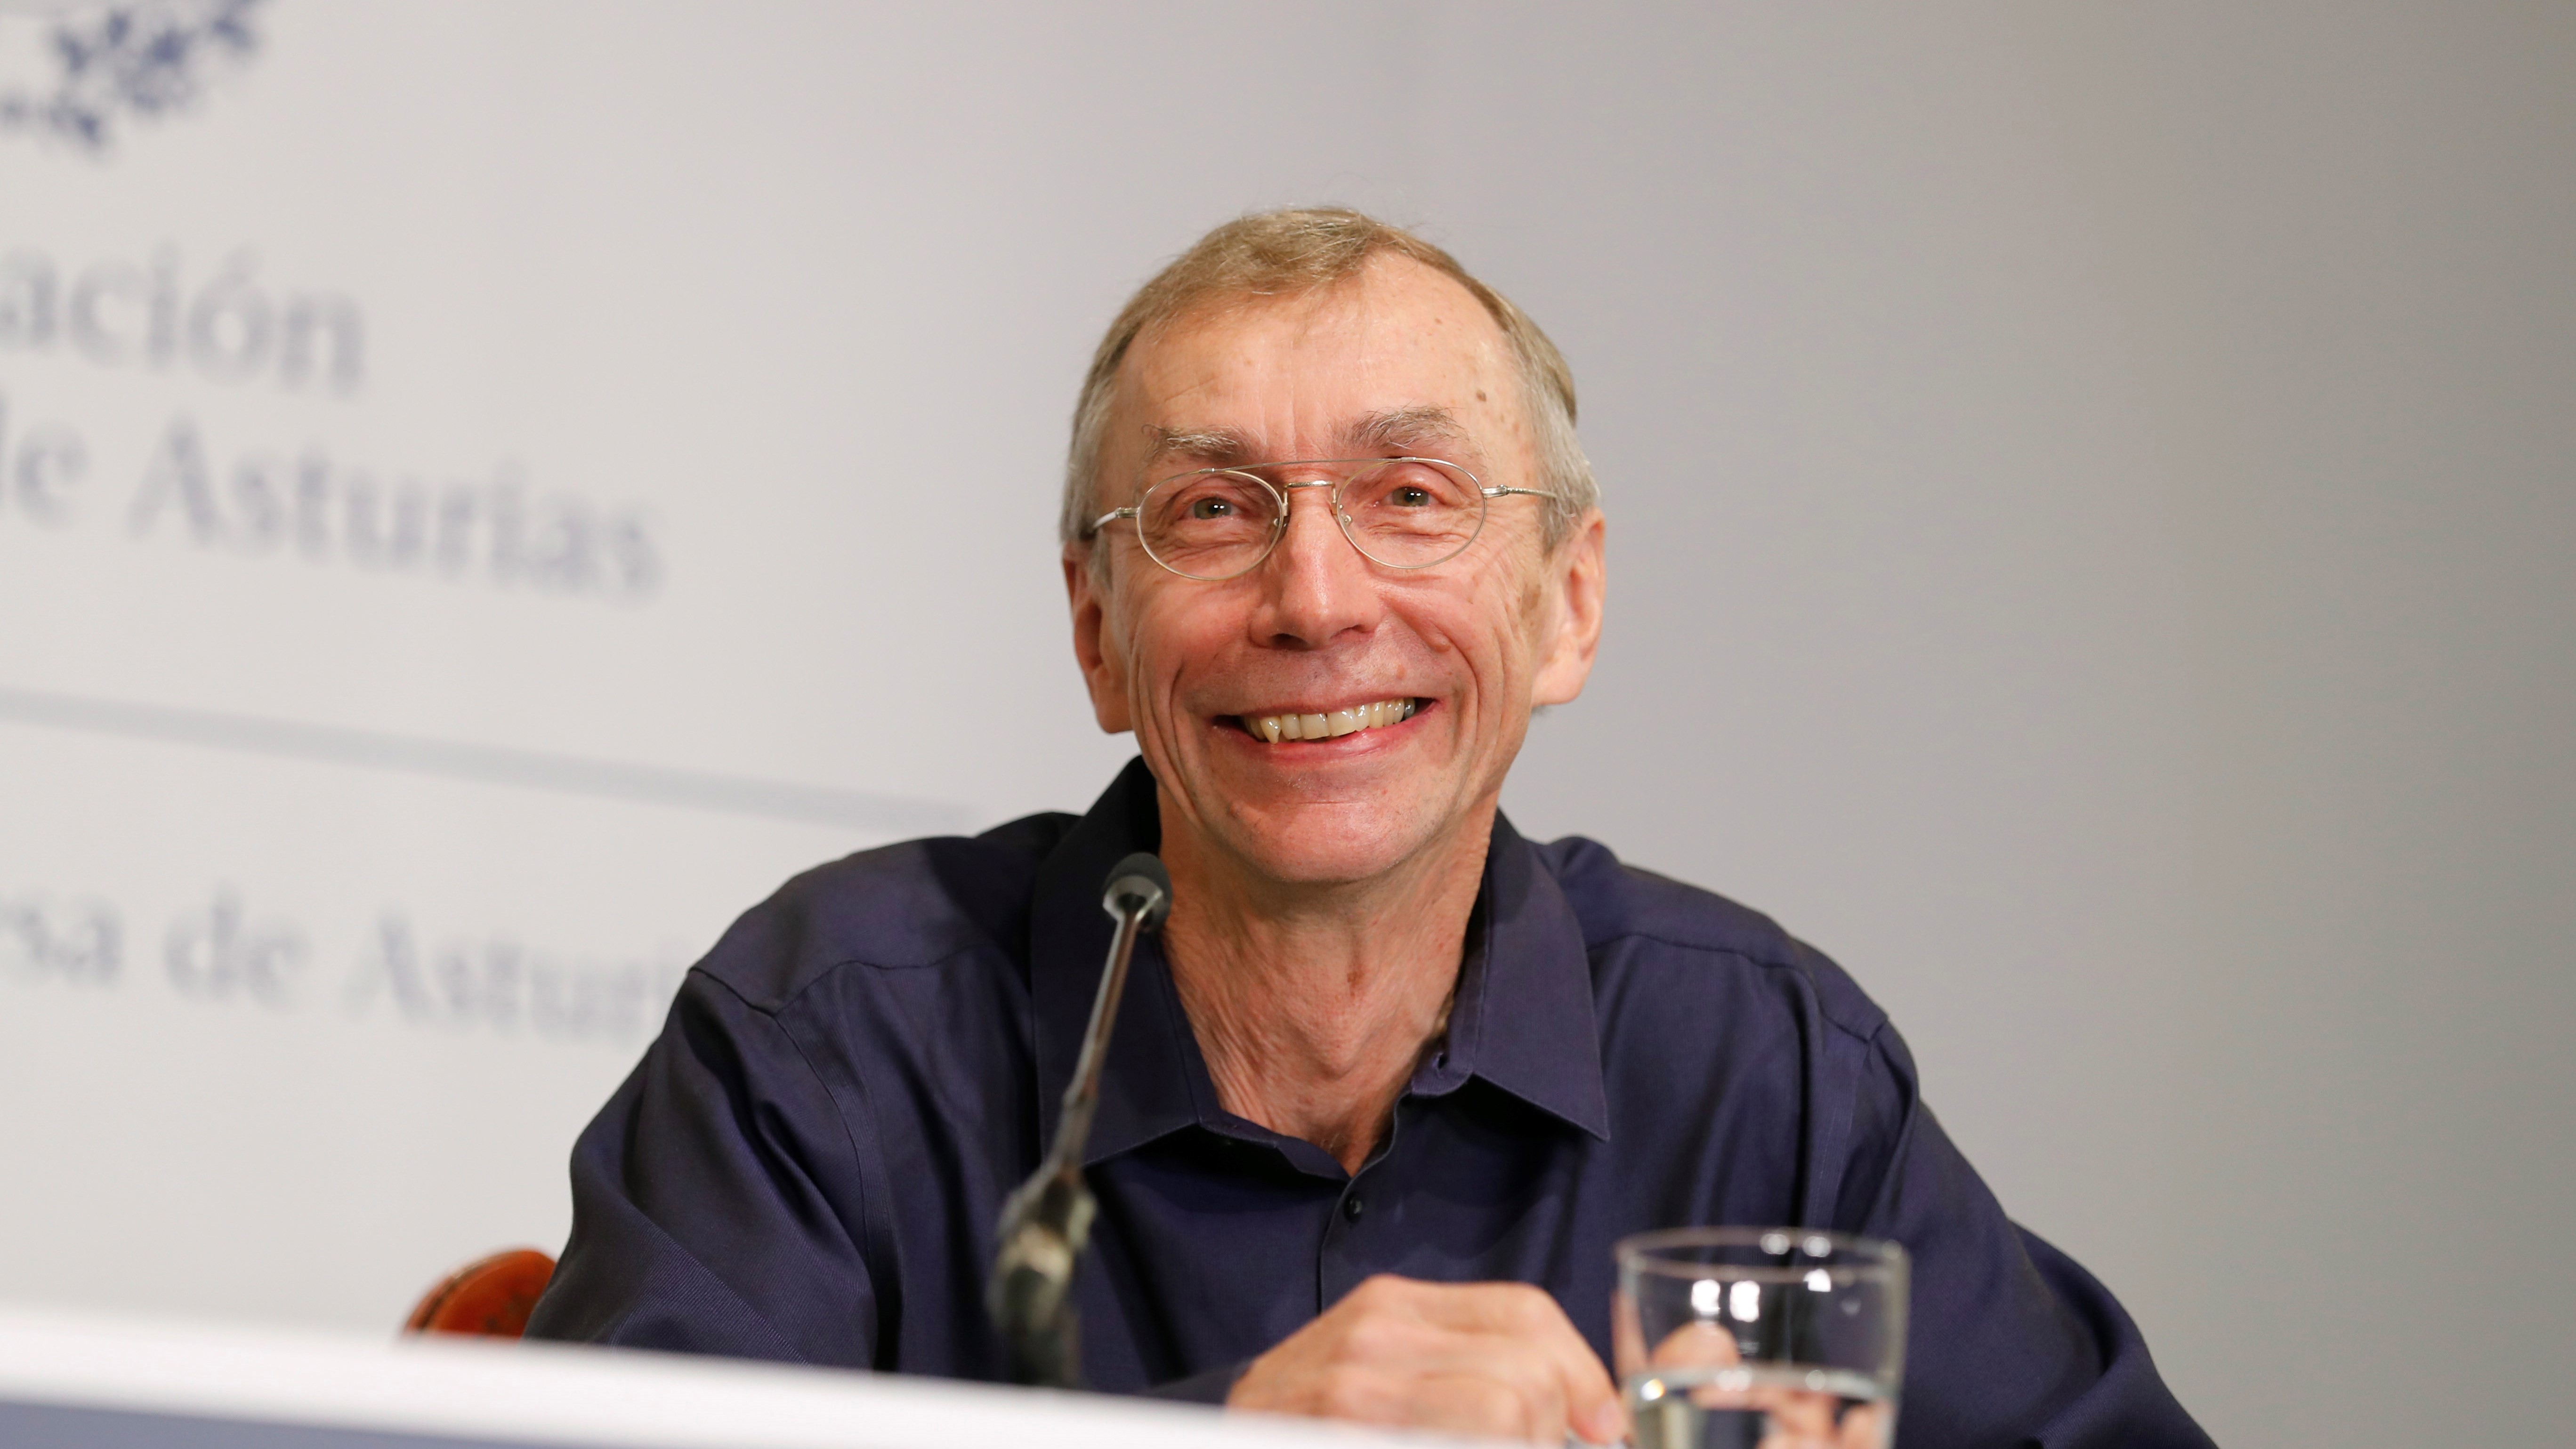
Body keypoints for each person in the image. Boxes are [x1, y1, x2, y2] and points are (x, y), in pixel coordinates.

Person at [525, 208, 2211, 1448]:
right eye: (1211, 511)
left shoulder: (1761, 1070)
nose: (1318, 599)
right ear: (1099, 633)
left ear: (1567, 603)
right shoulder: (826, 1041)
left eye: (1412, 497)